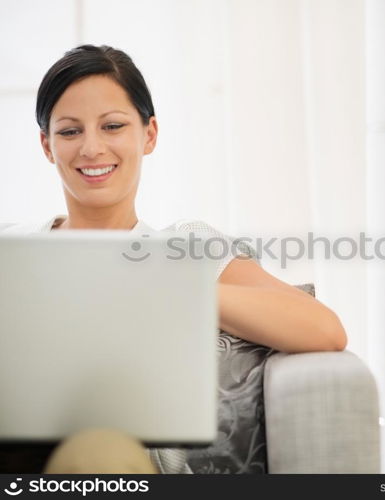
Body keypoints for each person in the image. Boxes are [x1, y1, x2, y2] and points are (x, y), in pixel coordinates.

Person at [0, 44, 347, 474]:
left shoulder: (187, 246)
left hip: (114, 458)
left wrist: (171, 284)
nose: (91, 148)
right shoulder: (10, 248)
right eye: (70, 131)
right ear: (47, 146)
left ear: (149, 135)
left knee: (96, 454)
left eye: (112, 126)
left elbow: (324, 329)